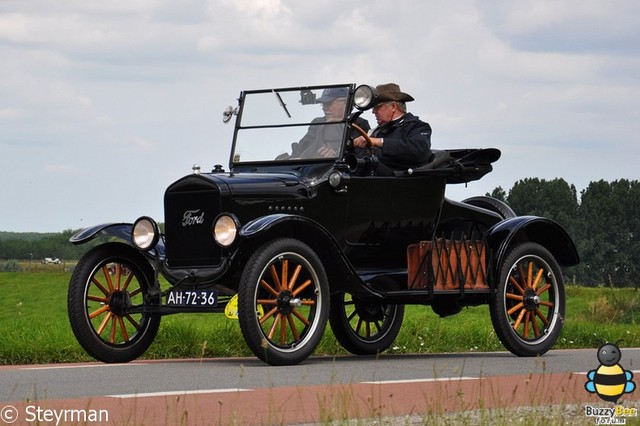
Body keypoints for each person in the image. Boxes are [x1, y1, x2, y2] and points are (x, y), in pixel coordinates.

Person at [352, 83, 432, 175]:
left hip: (400, 184)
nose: (373, 112)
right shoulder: (376, 131)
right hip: (372, 182)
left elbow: (418, 149)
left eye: (378, 107)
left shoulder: (417, 127)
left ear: (393, 107)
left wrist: (379, 142)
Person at [291, 87, 370, 159]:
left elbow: (358, 156)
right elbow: (300, 149)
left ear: (345, 104)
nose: (324, 108)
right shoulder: (318, 123)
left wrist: (336, 154)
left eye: (328, 104)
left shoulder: (358, 124)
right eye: (323, 104)